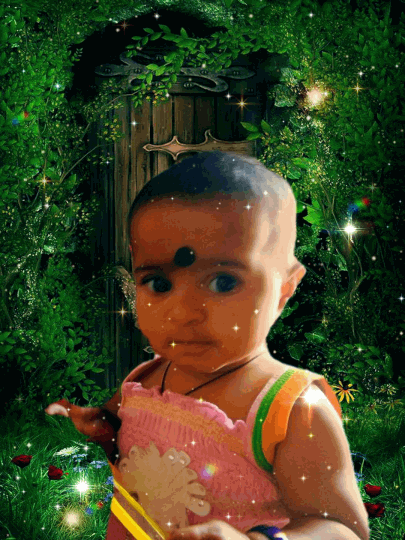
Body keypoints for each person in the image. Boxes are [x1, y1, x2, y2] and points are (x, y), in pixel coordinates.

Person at [45, 152, 370, 540]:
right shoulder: (146, 377)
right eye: (159, 283)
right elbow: (127, 431)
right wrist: (101, 426)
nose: (182, 312)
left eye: (223, 282)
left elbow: (342, 529)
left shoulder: (293, 411)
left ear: (285, 289)